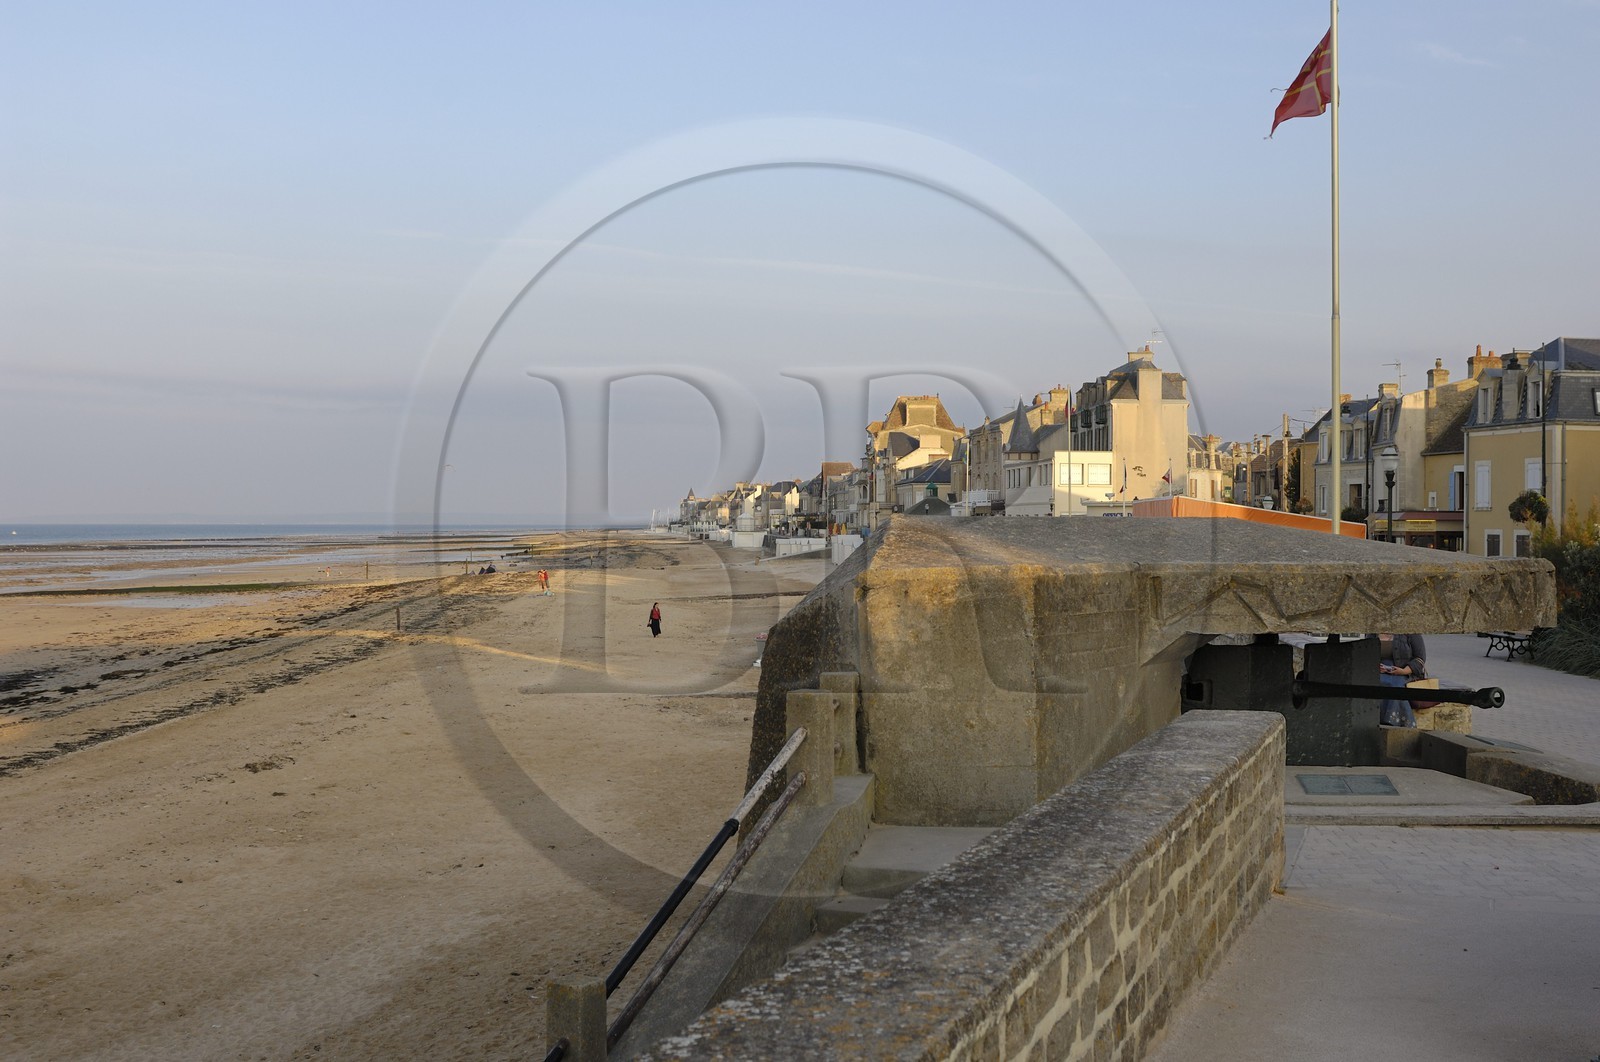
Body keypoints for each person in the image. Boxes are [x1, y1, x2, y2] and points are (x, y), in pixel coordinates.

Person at [1376, 633, 1427, 727]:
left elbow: (1420, 658)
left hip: (1405, 671)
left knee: (1395, 686)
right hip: (1380, 672)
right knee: (1375, 683)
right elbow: (1366, 652)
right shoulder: (1372, 632)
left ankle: (1397, 723)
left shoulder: (1410, 631)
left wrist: (1403, 671)